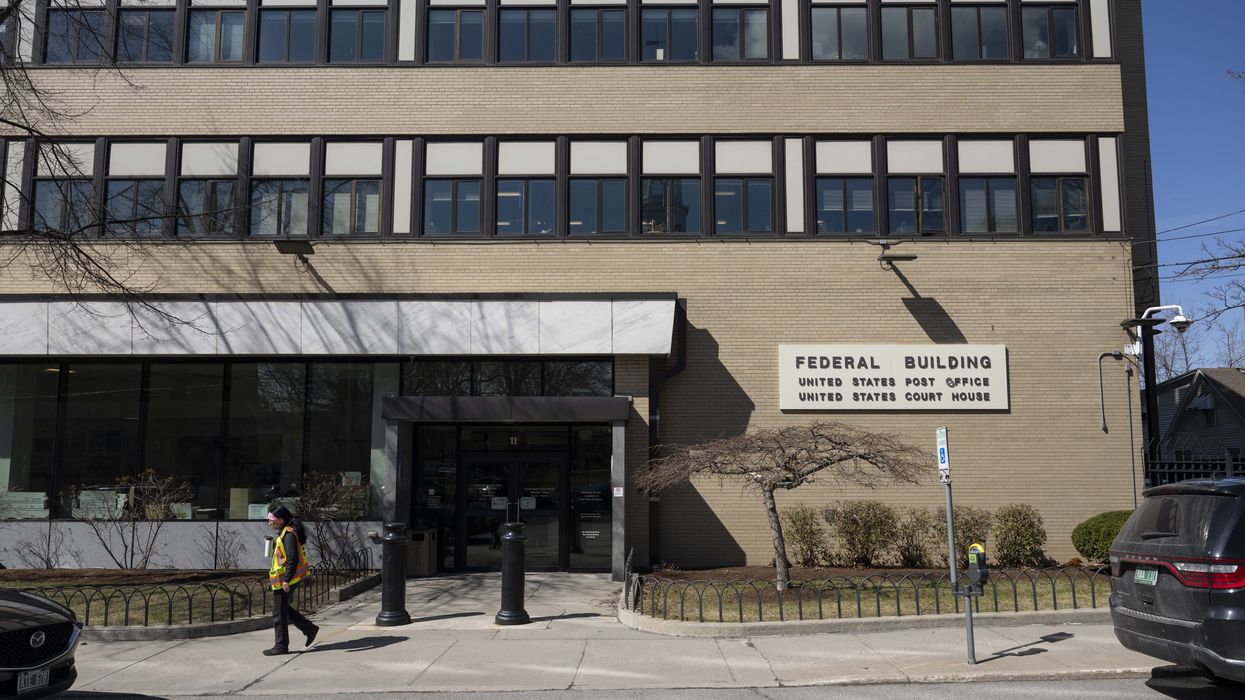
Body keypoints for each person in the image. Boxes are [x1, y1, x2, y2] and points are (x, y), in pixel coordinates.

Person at [265, 506, 319, 656]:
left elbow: (293, 559)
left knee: (278, 613)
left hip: (286, 580)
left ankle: (281, 646)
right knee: (283, 609)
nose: (269, 523)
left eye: (271, 520)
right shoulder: (283, 533)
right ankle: (309, 629)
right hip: (285, 579)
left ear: (280, 520)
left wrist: (286, 580)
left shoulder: (288, 535)